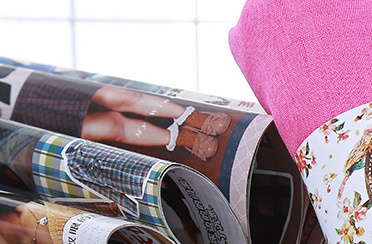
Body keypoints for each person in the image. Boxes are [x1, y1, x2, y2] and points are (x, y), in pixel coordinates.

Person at [8, 70, 231, 161]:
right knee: (108, 128)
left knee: (115, 96)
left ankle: (189, 116)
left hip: (23, 81)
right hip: (15, 114)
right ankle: (182, 138)